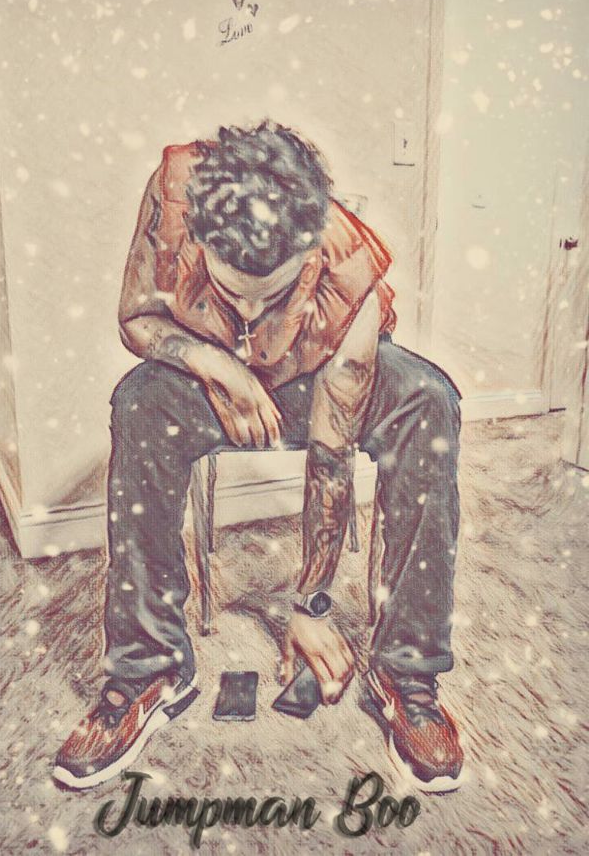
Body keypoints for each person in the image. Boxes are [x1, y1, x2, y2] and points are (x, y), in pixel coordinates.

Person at [54, 121, 463, 793]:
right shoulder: (175, 192)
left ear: (307, 252)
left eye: (267, 295)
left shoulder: (348, 273)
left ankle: (407, 674)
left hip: (318, 376)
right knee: (138, 402)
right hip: (211, 374)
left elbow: (330, 456)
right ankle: (148, 668)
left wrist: (313, 604)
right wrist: (220, 364)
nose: (247, 312)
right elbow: (137, 317)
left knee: (430, 401)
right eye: (230, 290)